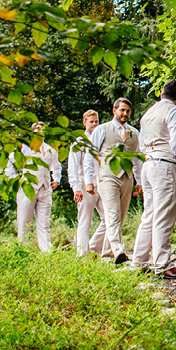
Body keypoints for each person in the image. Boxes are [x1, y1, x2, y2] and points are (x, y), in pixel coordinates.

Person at [133, 81, 176, 279]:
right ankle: (163, 265)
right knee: (163, 216)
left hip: (148, 164)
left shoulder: (148, 113)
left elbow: (140, 145)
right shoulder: (175, 112)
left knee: (149, 214)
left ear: (161, 94)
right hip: (165, 164)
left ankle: (139, 262)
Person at [84, 98, 143, 265]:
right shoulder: (102, 129)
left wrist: (139, 182)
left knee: (120, 217)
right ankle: (119, 250)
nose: (125, 114)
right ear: (114, 110)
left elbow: (137, 160)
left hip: (127, 178)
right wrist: (89, 180)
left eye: (127, 111)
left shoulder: (134, 133)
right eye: (122, 110)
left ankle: (108, 256)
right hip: (107, 177)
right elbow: (90, 156)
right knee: (112, 215)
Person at [5, 122, 62, 252]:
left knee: (44, 224)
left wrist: (56, 179)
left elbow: (57, 166)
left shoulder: (50, 150)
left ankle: (46, 252)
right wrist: (15, 181)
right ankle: (21, 250)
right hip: (27, 189)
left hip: (45, 189)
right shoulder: (24, 148)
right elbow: (10, 165)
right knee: (24, 222)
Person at [68, 110, 106, 257]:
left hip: (101, 184)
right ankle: (82, 255)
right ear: (84, 122)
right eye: (91, 121)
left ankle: (93, 248)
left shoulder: (102, 139)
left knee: (110, 220)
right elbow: (72, 167)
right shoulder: (79, 142)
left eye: (96, 121)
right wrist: (76, 188)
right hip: (85, 185)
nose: (94, 124)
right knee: (84, 221)